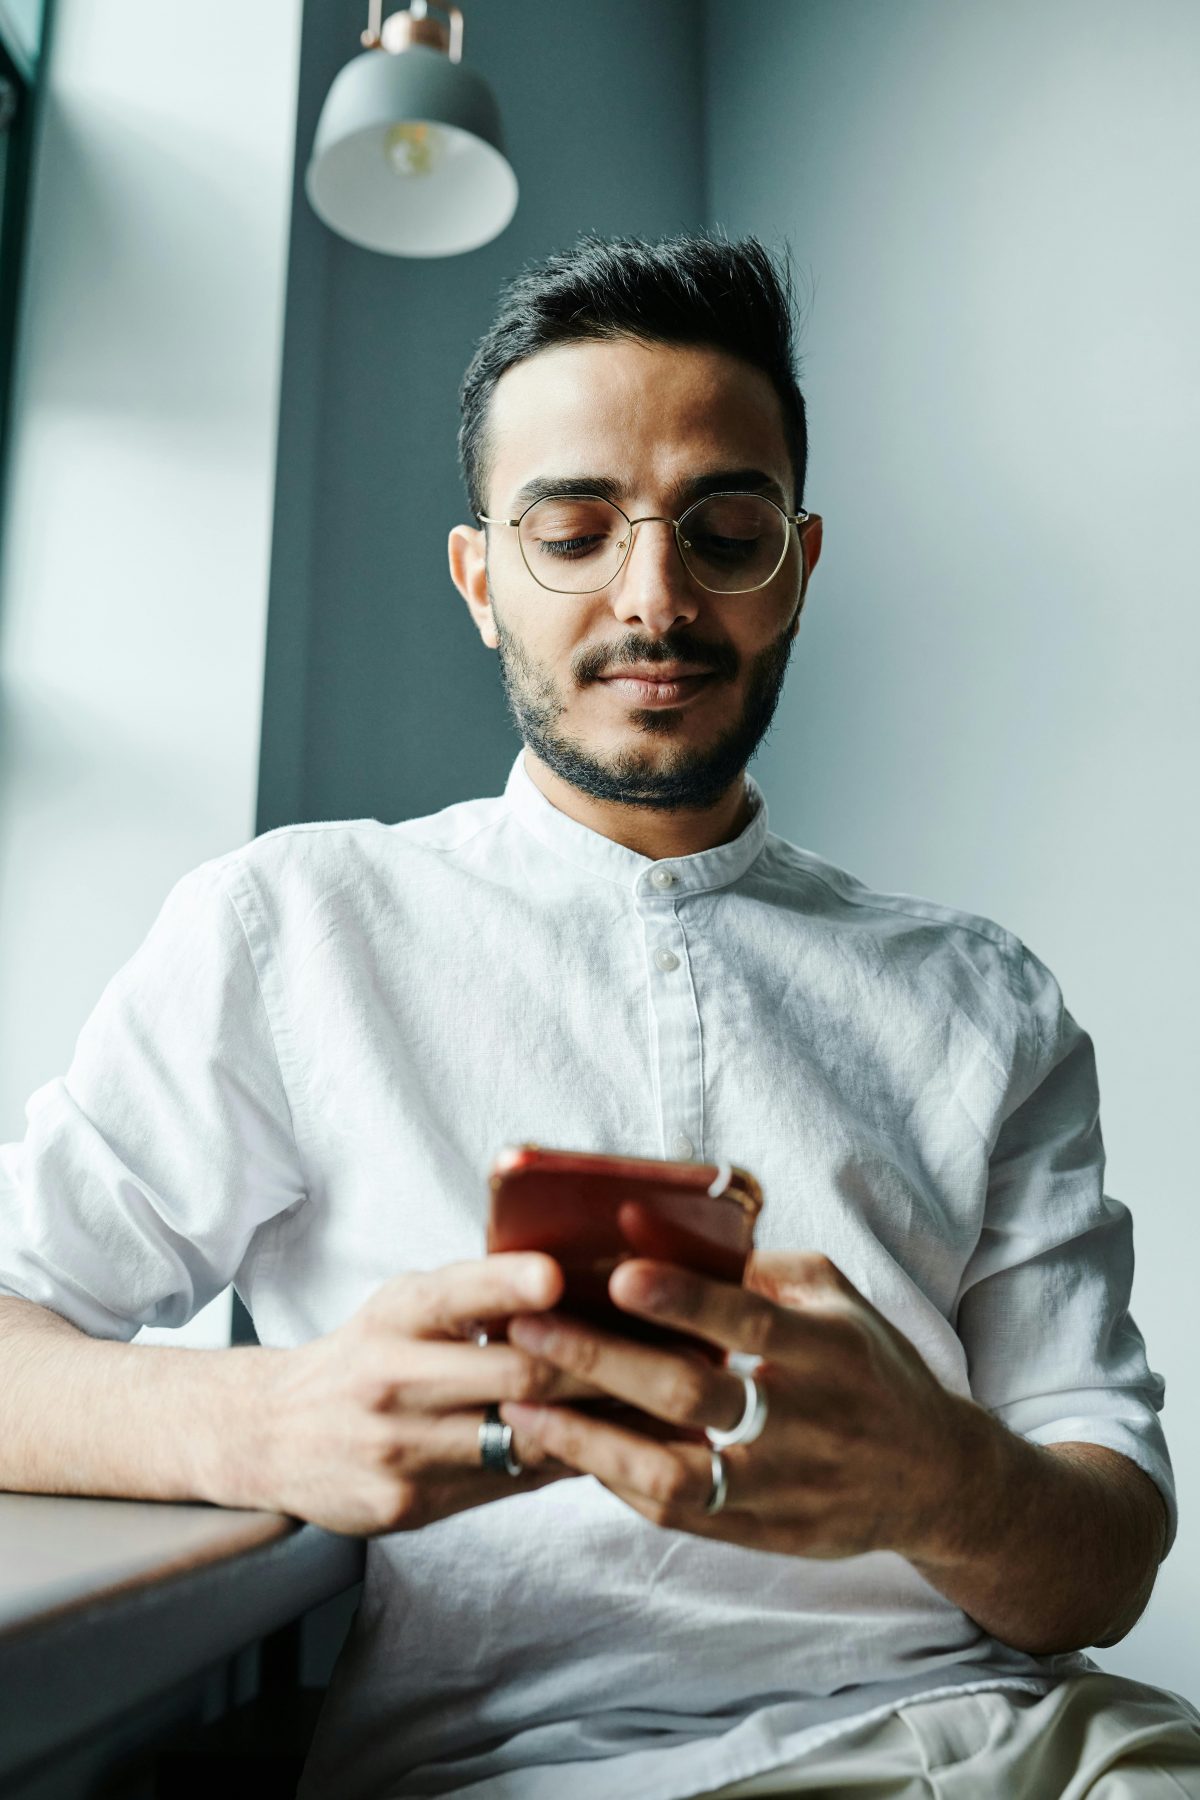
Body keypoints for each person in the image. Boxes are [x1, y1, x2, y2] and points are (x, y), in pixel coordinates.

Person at [0, 230, 1197, 1800]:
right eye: (574, 528)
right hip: (533, 1771)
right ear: (483, 578)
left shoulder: (983, 995)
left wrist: (939, 1471)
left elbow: (1102, 1566)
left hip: (1049, 1754)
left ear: (799, 568)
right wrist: (266, 1418)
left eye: (726, 529)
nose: (656, 597)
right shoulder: (289, 926)